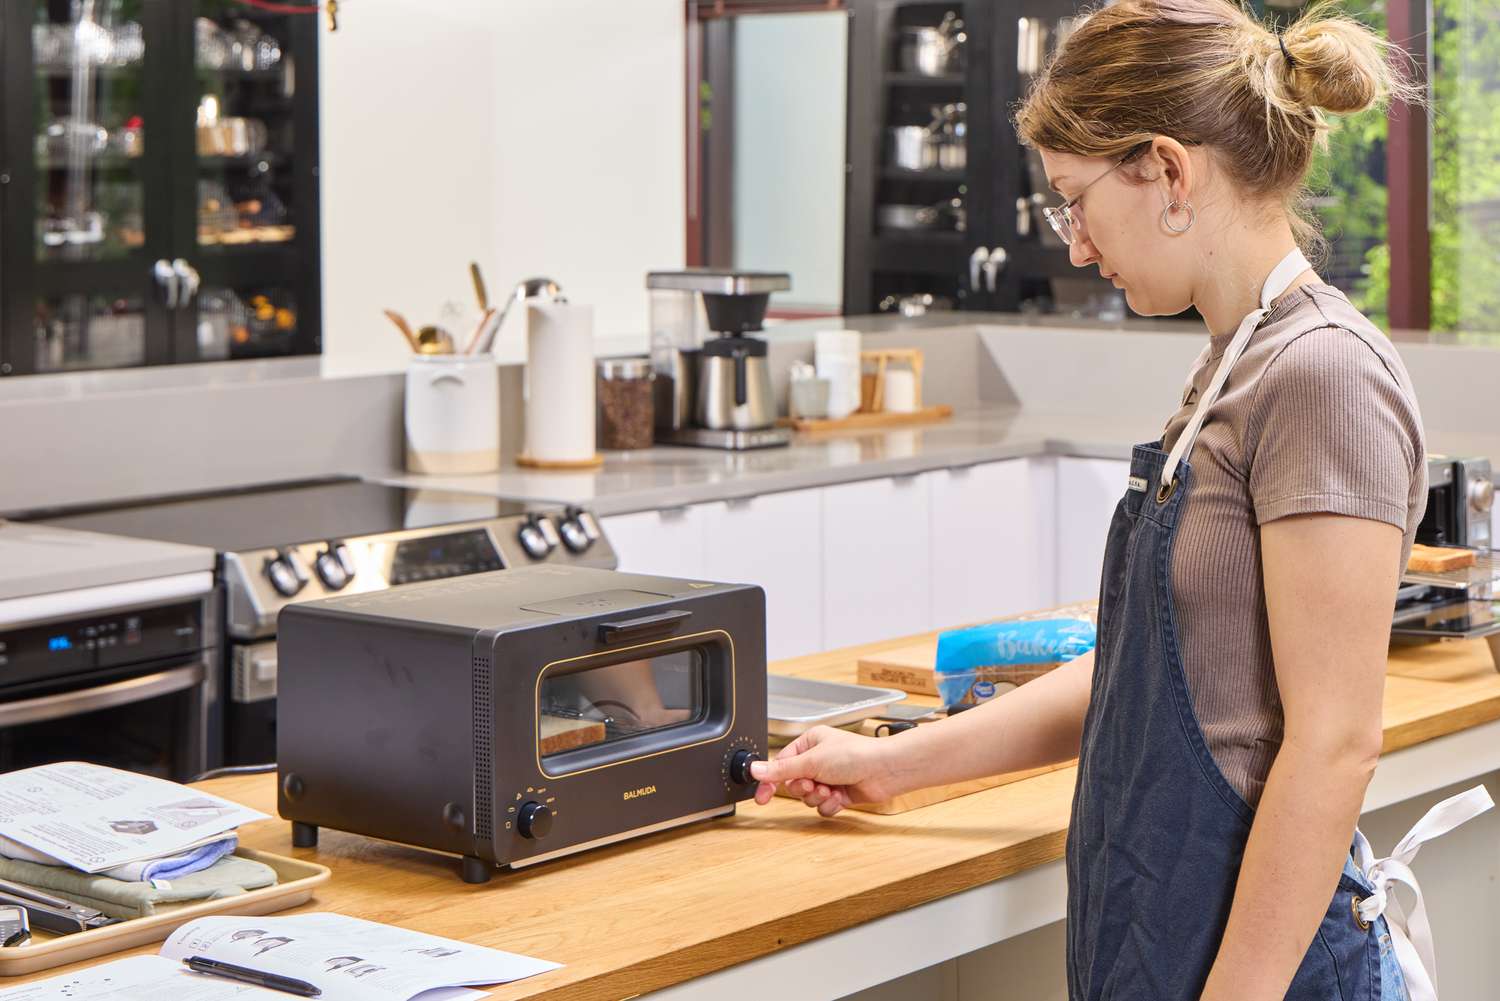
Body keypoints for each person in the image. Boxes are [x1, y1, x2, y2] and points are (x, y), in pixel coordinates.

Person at [748, 2, 1466, 998]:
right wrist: (898, 764)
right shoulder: (1233, 365)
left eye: (1075, 200)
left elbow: (1336, 744)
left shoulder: (1321, 373)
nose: (1076, 245)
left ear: (1168, 171)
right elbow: (1141, 680)